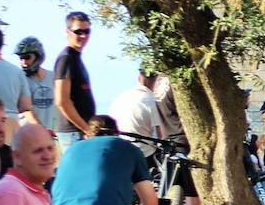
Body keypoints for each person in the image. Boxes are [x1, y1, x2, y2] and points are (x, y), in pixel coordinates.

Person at [150, 75, 205, 205]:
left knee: (167, 198)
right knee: (193, 201)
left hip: (170, 143)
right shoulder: (181, 77)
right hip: (186, 144)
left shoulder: (160, 81)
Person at [52, 11, 97, 147]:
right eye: (78, 32)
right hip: (73, 133)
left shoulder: (75, 58)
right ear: (68, 31)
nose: (83, 36)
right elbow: (62, 100)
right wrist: (86, 128)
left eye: (87, 31)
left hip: (79, 131)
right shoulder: (66, 58)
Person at [108, 68, 163, 157]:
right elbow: (160, 134)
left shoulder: (121, 97)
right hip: (144, 153)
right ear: (158, 81)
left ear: (138, 78)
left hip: (119, 150)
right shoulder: (153, 101)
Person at [14, 36, 55, 130]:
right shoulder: (21, 79)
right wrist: (41, 129)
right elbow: (27, 110)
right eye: (21, 58)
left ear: (38, 56)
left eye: (27, 57)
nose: (24, 62)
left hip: (52, 133)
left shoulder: (53, 77)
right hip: (28, 133)